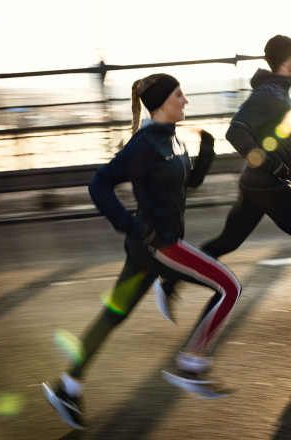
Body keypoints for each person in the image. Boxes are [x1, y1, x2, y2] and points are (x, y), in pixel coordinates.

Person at [42, 73, 241, 430]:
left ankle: (67, 387)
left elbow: (189, 183)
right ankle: (193, 364)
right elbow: (99, 183)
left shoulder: (171, 138)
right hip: (159, 244)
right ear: (162, 103)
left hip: (148, 246)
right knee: (230, 288)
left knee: (112, 317)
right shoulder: (146, 143)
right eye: (180, 94)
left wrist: (207, 150)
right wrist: (127, 223)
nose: (186, 101)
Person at [154, 35, 291, 328]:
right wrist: (268, 163)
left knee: (226, 242)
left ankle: (169, 281)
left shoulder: (276, 92)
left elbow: (270, 131)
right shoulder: (269, 93)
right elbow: (236, 131)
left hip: (255, 185)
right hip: (269, 185)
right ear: (285, 59)